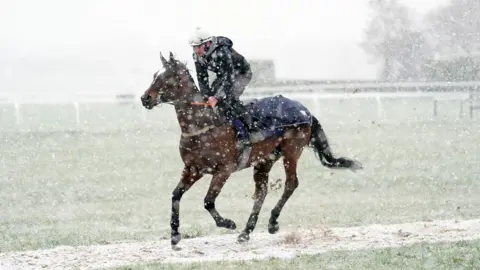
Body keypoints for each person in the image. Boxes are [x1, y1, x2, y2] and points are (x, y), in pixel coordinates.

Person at [188, 27, 254, 144]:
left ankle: (246, 131)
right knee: (211, 98)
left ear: (207, 43)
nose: (196, 50)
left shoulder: (222, 51)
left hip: (241, 73)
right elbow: (202, 78)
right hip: (224, 75)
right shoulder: (197, 56)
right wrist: (207, 96)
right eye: (194, 47)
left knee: (228, 99)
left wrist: (217, 97)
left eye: (198, 47)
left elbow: (229, 77)